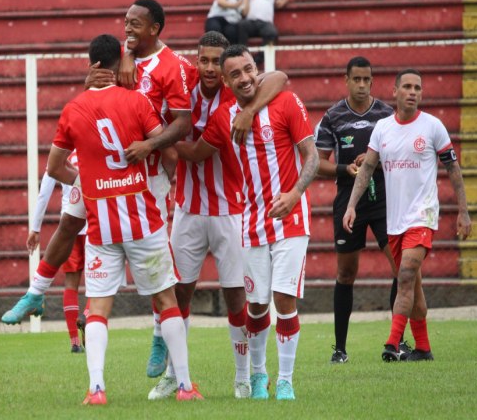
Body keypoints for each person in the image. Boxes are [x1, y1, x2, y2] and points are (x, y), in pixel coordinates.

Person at [0, 0, 195, 378]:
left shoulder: (172, 66)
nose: (128, 29)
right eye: (126, 22)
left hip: (145, 174)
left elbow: (183, 121)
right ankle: (36, 292)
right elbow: (96, 99)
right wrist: (92, 81)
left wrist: (152, 148)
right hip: (103, 168)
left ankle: (159, 333)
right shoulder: (122, 55)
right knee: (70, 221)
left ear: (155, 28)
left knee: (155, 263)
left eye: (135, 24)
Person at [47, 33, 202, 404]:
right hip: (142, 220)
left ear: (92, 66)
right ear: (121, 65)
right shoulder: (137, 101)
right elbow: (166, 150)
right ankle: (184, 386)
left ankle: (96, 389)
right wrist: (165, 179)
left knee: (98, 307)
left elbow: (55, 167)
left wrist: (87, 185)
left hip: (101, 224)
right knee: (166, 299)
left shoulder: (73, 109)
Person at [147, 31, 288, 400]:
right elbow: (153, 59)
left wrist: (251, 109)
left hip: (231, 211)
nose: (209, 68)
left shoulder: (234, 94)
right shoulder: (184, 82)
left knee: (238, 299)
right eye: (204, 60)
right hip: (188, 211)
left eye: (216, 62)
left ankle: (244, 376)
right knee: (178, 293)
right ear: (196, 61)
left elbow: (278, 77)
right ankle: (177, 378)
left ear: (226, 70)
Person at [175, 44, 319, 401]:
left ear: (258, 70)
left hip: (291, 219)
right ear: (225, 80)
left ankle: (286, 380)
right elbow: (196, 154)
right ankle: (259, 376)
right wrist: (157, 136)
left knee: (284, 299)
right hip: (251, 221)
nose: (245, 78)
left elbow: (312, 157)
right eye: (235, 74)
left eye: (249, 69)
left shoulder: (285, 102)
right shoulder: (224, 117)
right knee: (255, 306)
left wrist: (294, 193)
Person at [343, 68, 472, 362]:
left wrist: (463, 211)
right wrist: (351, 205)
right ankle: (424, 348)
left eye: (418, 88)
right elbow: (366, 170)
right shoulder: (383, 129)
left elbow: (453, 170)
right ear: (395, 92)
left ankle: (391, 343)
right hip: (395, 220)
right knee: (413, 285)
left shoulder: (432, 126)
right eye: (408, 87)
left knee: (405, 275)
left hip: (423, 215)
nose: (413, 92)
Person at [314, 56, 409, 364]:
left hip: (384, 199)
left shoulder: (385, 114)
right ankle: (340, 349)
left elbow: (399, 152)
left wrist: (376, 163)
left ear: (372, 81)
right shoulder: (332, 116)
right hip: (348, 200)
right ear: (346, 80)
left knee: (400, 268)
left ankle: (396, 342)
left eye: (367, 79)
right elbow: (317, 163)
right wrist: (346, 168)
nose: (362, 85)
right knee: (346, 272)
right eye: (356, 79)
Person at [19, 151, 88, 354]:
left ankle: (74, 341)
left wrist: (35, 228)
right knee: (98, 282)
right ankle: (87, 316)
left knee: (71, 283)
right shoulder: (93, 145)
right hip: (94, 223)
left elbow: (44, 193)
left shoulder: (60, 156)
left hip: (70, 225)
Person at [237, 0, 288, 64]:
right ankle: (242, 57)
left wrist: (281, 2)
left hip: (265, 23)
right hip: (250, 22)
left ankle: (257, 60)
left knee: (273, 34)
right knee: (240, 26)